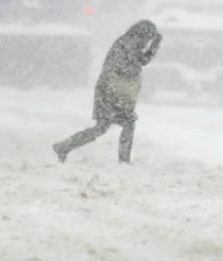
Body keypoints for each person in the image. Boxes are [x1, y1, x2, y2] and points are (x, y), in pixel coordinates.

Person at [53, 20, 162, 164]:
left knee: (119, 125)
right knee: (104, 127)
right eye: (148, 38)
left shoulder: (130, 44)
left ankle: (65, 147)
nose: (147, 42)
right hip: (109, 93)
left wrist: (154, 46)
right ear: (142, 35)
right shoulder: (125, 44)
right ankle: (64, 147)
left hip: (116, 93)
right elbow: (131, 66)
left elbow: (141, 61)